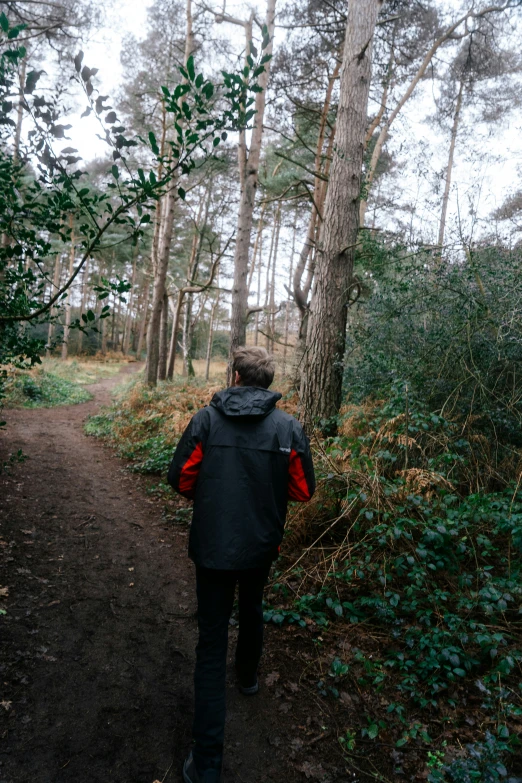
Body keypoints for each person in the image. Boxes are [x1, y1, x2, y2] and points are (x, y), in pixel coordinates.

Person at [168, 345, 315, 783]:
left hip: (213, 546)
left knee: (211, 641)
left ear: (235, 378)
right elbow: (303, 491)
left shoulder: (206, 421)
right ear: (267, 383)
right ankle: (248, 676)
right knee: (251, 606)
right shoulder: (288, 428)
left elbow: (181, 479)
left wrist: (214, 494)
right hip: (260, 545)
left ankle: (207, 763)